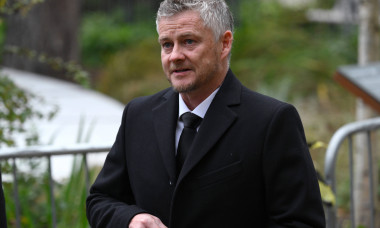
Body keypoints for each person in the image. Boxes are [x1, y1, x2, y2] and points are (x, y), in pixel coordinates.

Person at [86, 0, 326, 227]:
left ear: (224, 44)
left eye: (189, 41)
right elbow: (100, 199)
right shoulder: (138, 115)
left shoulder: (271, 121)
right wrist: (131, 219)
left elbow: (301, 221)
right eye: (167, 44)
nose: (175, 55)